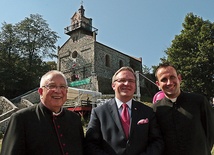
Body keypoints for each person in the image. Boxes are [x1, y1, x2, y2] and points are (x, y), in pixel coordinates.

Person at [1, 70, 84, 155]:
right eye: (52, 86)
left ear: (66, 91)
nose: (58, 91)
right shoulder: (21, 119)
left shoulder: (75, 119)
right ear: (41, 92)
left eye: (62, 86)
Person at [85, 66, 164, 155]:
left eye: (131, 81)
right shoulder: (99, 113)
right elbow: (90, 145)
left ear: (135, 86)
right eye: (122, 80)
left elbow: (157, 142)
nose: (126, 83)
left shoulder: (147, 111)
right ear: (113, 85)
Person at [153, 62, 214, 155]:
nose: (169, 82)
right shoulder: (155, 110)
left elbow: (210, 132)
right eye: (164, 79)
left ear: (179, 78)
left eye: (172, 77)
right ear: (158, 84)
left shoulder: (199, 101)